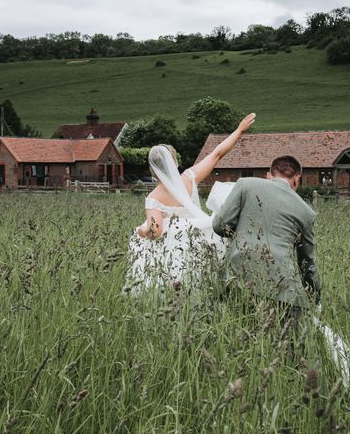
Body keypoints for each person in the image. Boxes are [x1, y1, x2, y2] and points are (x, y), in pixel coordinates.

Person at [125, 113, 256, 293]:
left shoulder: (153, 198)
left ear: (152, 168)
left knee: (169, 288)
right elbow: (217, 154)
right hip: (197, 239)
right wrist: (239, 130)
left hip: (171, 251)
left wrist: (141, 231)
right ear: (174, 162)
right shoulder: (189, 177)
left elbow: (155, 232)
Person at [212, 155, 320, 317]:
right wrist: (316, 298)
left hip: (239, 279)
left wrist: (242, 233)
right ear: (297, 179)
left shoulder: (245, 184)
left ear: (269, 175)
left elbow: (219, 226)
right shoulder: (306, 211)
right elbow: (307, 263)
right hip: (285, 290)